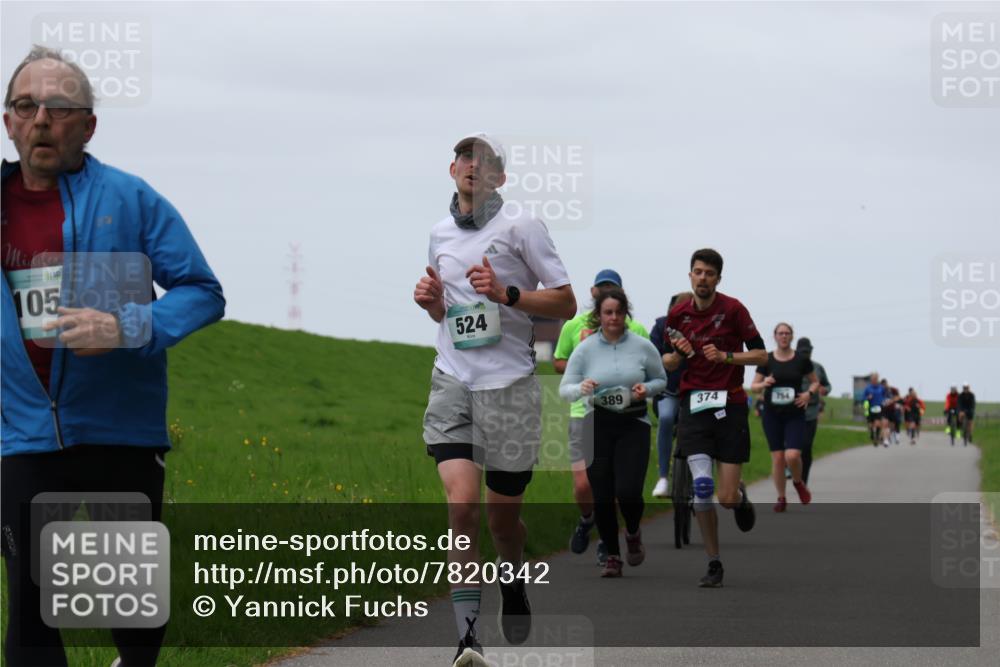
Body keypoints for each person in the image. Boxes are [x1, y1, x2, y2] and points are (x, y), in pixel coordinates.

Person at [1, 47, 225, 667]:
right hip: (21, 437)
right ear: (9, 121)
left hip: (119, 434)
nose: (43, 118)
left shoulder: (131, 199)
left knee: (127, 604)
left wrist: (128, 324)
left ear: (88, 125)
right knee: (30, 604)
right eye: (27, 106)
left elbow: (203, 293)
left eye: (61, 107)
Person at [413, 132, 575, 667]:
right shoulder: (438, 233)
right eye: (465, 158)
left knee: (504, 523)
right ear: (452, 168)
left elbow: (567, 301)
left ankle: (512, 578)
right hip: (453, 378)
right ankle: (467, 639)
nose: (472, 167)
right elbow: (448, 315)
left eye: (484, 162)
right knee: (462, 508)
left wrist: (507, 294)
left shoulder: (521, 227)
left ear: (499, 178)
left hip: (508, 388)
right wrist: (434, 304)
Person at [662, 248, 767, 588]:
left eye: (709, 273)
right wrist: (674, 360)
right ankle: (714, 562)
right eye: (697, 272)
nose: (702, 278)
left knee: (724, 497)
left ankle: (738, 495)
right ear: (690, 275)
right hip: (694, 404)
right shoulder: (678, 316)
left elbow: (761, 354)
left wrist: (727, 356)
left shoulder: (734, 310)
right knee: (702, 488)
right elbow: (669, 361)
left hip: (731, 406)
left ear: (718, 278)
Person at [559, 288, 666, 577]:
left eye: (619, 312)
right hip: (598, 424)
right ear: (599, 316)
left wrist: (648, 389)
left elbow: (660, 379)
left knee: (628, 492)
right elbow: (564, 389)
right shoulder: (585, 349)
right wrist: (581, 389)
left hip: (634, 423)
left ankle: (632, 532)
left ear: (626, 314)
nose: (614, 318)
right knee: (602, 495)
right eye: (608, 313)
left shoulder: (643, 347)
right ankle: (613, 556)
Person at [751, 324, 820, 512]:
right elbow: (754, 386)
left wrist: (808, 394)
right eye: (780, 333)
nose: (784, 336)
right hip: (772, 414)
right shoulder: (767, 359)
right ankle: (781, 497)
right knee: (779, 458)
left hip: (795, 414)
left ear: (791, 337)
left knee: (793, 455)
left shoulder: (801, 359)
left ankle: (798, 483)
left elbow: (815, 382)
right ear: (774, 336)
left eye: (787, 333)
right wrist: (764, 382)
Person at [648, 291, 693, 498]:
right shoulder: (660, 327)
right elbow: (652, 357)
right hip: (669, 391)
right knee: (666, 418)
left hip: (697, 392)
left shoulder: (703, 328)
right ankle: (664, 477)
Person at [795, 337, 830, 484]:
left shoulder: (818, 367)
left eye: (808, 352)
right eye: (802, 352)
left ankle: (804, 480)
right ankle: (790, 468)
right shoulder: (790, 366)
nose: (805, 354)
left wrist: (824, 390)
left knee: (807, 446)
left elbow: (827, 385)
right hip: (792, 409)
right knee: (792, 446)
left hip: (811, 411)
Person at [863, 373, 890, 447]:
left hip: (878, 407)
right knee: (871, 424)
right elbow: (863, 398)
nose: (875, 380)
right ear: (871, 380)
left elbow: (886, 396)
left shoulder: (881, 388)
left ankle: (877, 438)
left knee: (877, 423)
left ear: (877, 379)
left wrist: (885, 401)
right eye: (873, 379)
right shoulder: (868, 388)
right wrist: (867, 398)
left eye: (876, 379)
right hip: (869, 407)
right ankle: (872, 434)